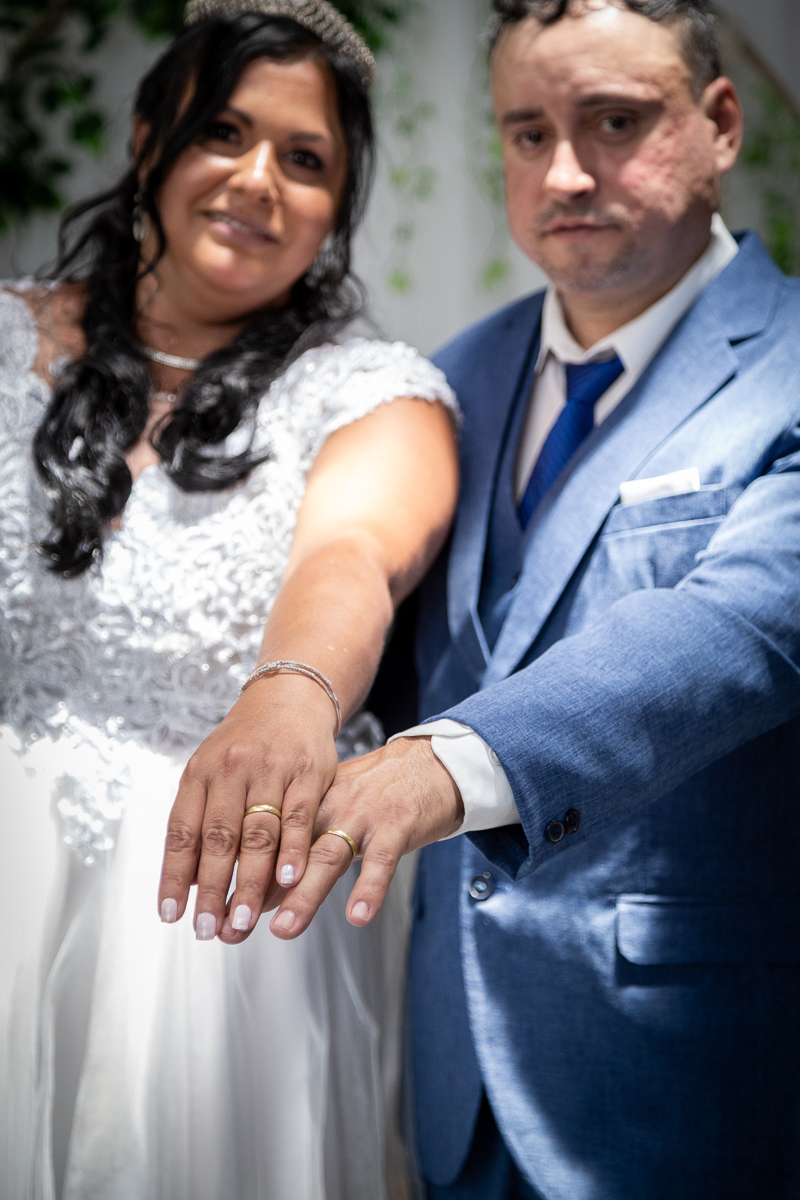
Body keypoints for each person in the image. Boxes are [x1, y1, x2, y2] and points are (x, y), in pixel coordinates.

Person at [174, 1, 800, 1197]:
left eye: (613, 123)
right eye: (526, 133)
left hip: (686, 1070)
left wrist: (440, 768)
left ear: (717, 124)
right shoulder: (448, 379)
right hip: (445, 1066)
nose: (563, 171)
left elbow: (735, 629)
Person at [0, 3, 460, 1198]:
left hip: (212, 943)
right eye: (223, 132)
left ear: (335, 206)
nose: (257, 181)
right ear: (151, 139)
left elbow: (349, 554)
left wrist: (288, 697)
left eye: (305, 160)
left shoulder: (373, 396)